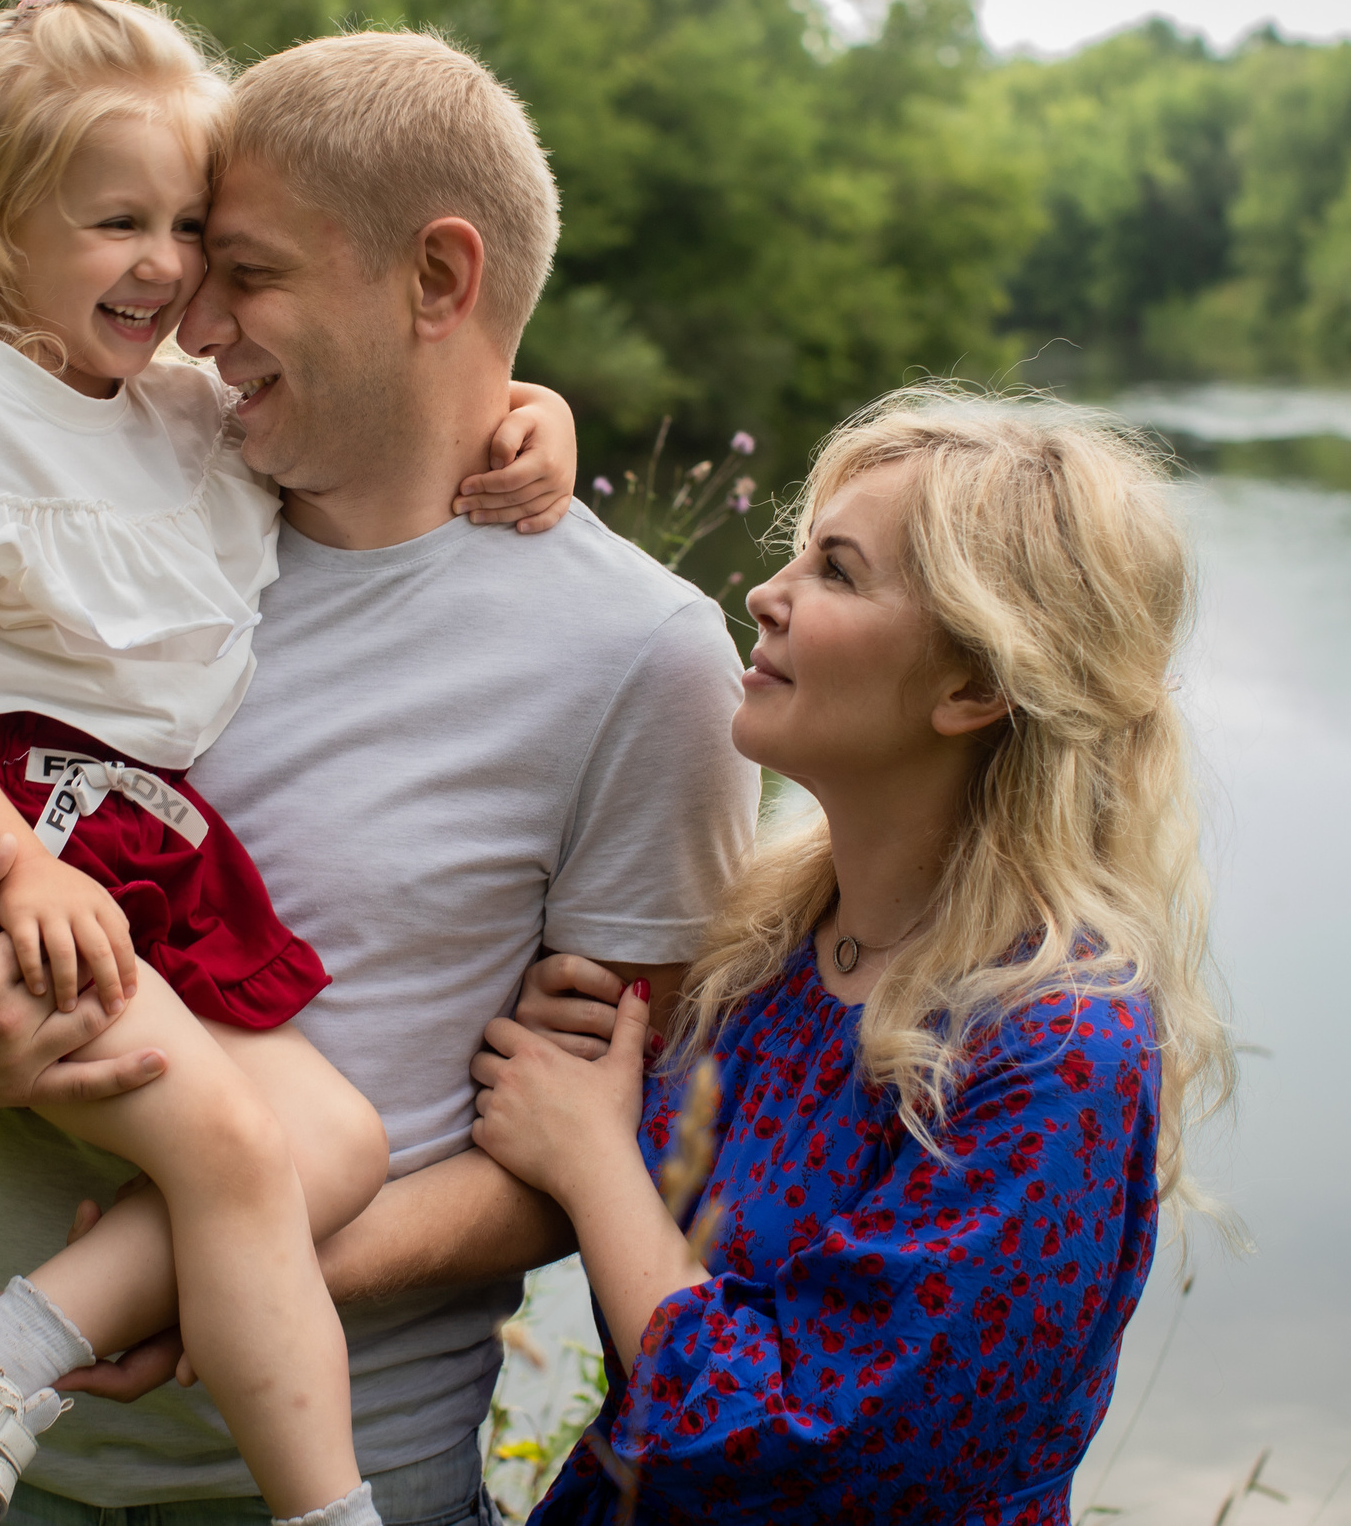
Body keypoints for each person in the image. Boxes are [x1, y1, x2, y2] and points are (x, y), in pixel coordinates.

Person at [0, 28, 763, 1524]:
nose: (186, 312)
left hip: (316, 1476)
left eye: (237, 265)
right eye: (170, 244)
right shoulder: (129, 524)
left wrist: (227, 1259)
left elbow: (611, 1156)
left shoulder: (644, 662)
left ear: (439, 282)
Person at [469, 388, 1238, 1523]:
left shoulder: (1059, 1045)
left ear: (974, 686)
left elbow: (804, 1451)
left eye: (834, 570)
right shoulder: (764, 946)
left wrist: (592, 1159)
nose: (762, 595)